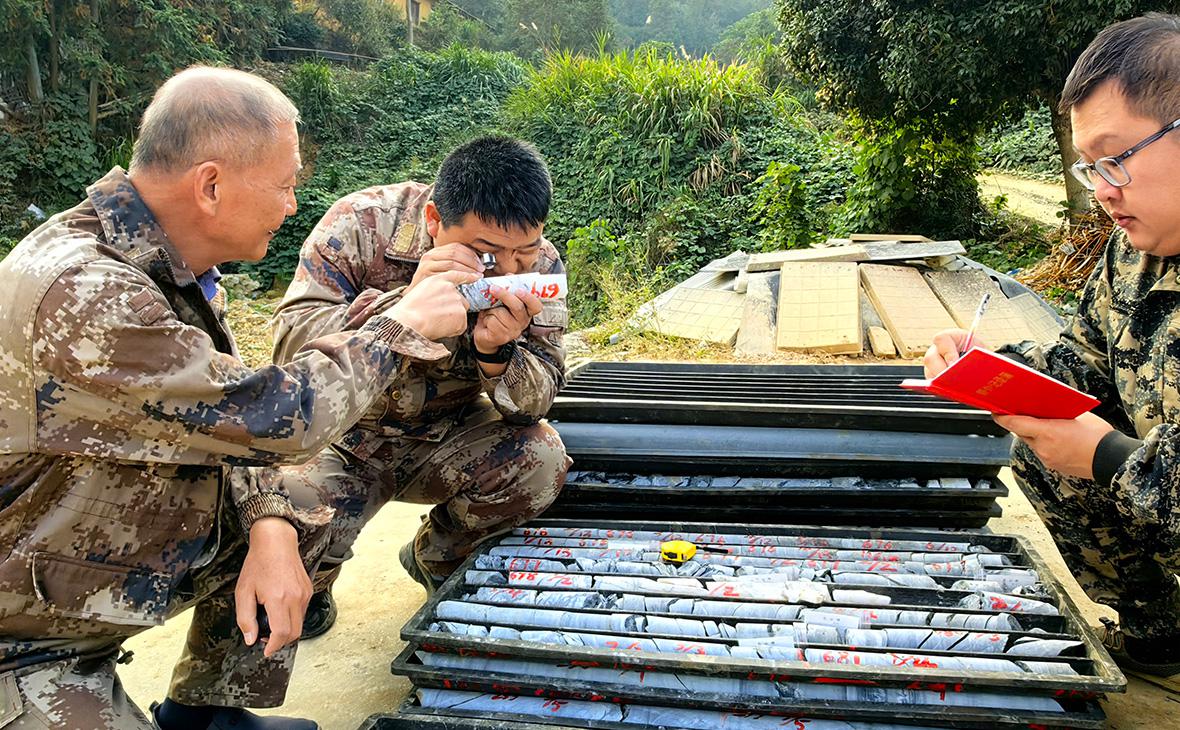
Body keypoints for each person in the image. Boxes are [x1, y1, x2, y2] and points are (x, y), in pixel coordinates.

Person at [0, 67, 477, 729]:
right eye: (284, 186)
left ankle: (209, 712)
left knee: (301, 502)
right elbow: (276, 417)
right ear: (211, 184)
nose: (290, 206)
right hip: (20, 637)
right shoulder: (84, 292)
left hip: (74, 577)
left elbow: (224, 426)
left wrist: (273, 527)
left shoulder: (164, 266)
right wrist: (400, 327)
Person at [925, 14, 1180, 691]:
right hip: (1157, 501)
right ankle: (1163, 631)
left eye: (1116, 158)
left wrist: (1102, 453)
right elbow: (1086, 363)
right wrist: (992, 371)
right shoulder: (1137, 252)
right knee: (1034, 443)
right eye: (1088, 166)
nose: (1101, 189)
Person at [271, 136, 571, 637]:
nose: (510, 269)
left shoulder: (540, 266)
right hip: (344, 437)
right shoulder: (361, 224)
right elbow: (289, 351)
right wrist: (404, 308)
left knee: (540, 459)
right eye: (487, 254)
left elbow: (537, 400)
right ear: (434, 220)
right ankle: (315, 581)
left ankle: (437, 555)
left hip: (447, 434)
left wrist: (498, 355)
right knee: (281, 516)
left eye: (525, 252)